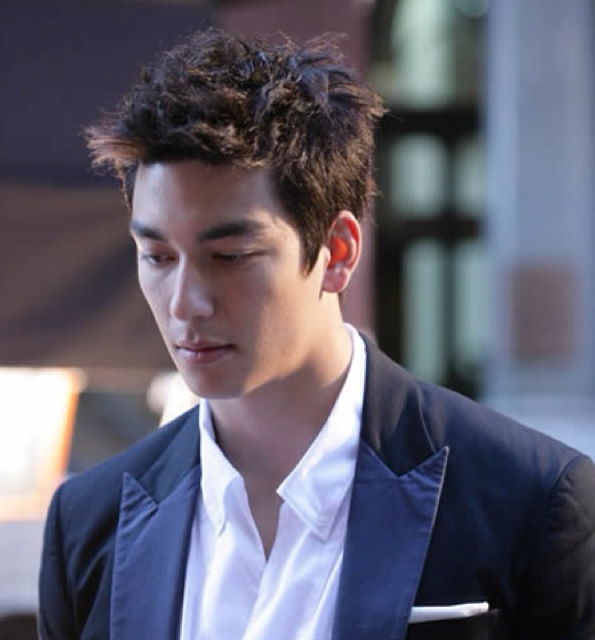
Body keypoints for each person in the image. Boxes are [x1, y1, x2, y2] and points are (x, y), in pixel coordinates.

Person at [38, 29, 595, 640]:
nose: (185, 303)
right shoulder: (88, 523)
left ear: (338, 251)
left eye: (230, 256)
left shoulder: (532, 501)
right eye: (158, 257)